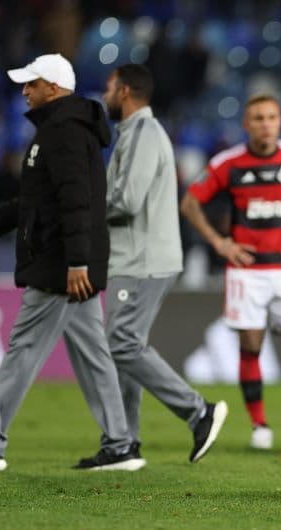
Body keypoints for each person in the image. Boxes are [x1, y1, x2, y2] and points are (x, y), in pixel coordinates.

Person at [0, 53, 142, 471]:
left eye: (31, 84)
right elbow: (37, 201)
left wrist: (77, 262)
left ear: (53, 88)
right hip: (69, 261)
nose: (24, 91)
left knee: (23, 348)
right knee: (93, 356)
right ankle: (120, 444)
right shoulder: (62, 129)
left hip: (60, 264)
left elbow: (76, 201)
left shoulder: (63, 132)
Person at [102, 63, 227, 463]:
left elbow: (127, 200)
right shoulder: (135, 133)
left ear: (124, 91)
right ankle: (123, 442)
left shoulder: (143, 133)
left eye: (109, 87)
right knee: (125, 345)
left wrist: (83, 208)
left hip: (142, 259)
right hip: (137, 256)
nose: (104, 95)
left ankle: (197, 411)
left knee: (121, 341)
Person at [180, 94, 281, 450]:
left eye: (271, 117)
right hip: (247, 271)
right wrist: (219, 243)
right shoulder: (228, 163)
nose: (265, 124)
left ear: (280, 121)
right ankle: (259, 425)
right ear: (246, 124)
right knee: (251, 345)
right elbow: (189, 203)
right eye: (258, 118)